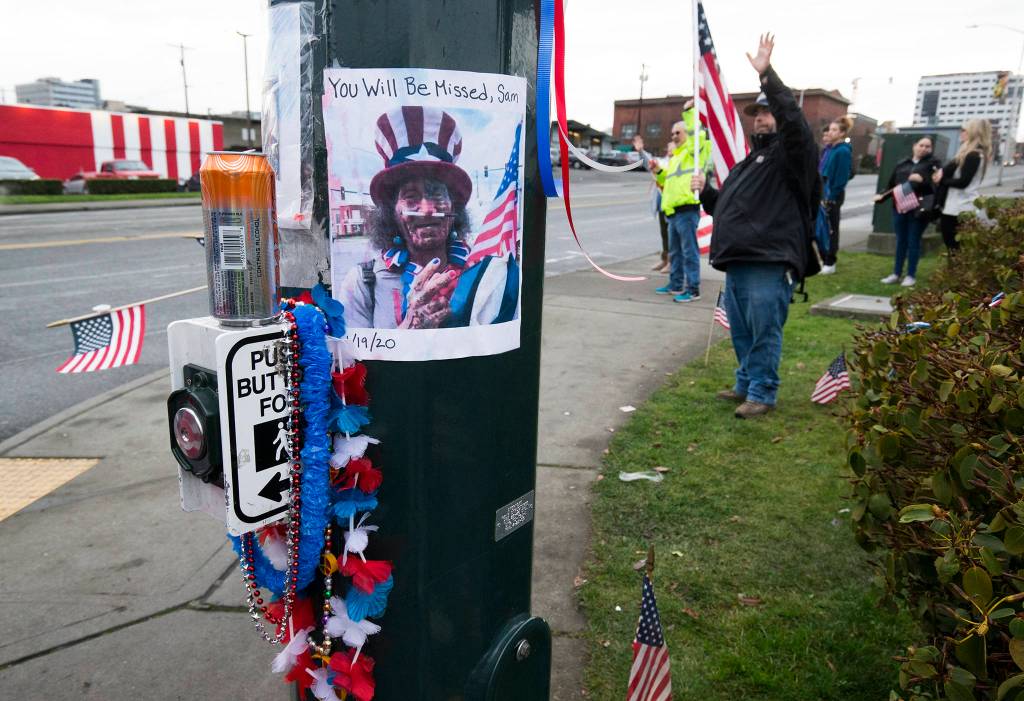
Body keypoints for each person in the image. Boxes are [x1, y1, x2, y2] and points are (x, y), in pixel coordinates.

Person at [691, 34, 820, 419]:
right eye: (757, 114)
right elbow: (726, 208)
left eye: (766, 112)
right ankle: (746, 384)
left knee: (764, 330)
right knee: (744, 330)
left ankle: (763, 392)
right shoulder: (750, 162)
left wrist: (768, 76)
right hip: (739, 258)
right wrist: (707, 193)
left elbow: (796, 124)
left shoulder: (792, 154)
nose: (761, 118)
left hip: (770, 258)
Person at [339, 106, 518, 329]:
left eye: (436, 194)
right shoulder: (362, 282)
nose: (426, 210)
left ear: (454, 208)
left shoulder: (482, 274)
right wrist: (410, 326)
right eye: (411, 197)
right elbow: (350, 359)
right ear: (391, 212)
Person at [635, 100, 711, 303]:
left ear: (688, 133)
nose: (674, 136)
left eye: (678, 133)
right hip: (673, 211)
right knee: (675, 252)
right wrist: (658, 170)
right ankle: (676, 284)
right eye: (672, 134)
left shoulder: (694, 152)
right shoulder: (677, 157)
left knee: (688, 252)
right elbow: (666, 180)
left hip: (687, 210)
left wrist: (689, 112)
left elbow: (699, 135)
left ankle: (693, 288)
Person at [874, 136, 940, 286]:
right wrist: (881, 196)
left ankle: (911, 275)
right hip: (900, 207)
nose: (924, 148)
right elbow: (892, 185)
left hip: (918, 209)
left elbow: (935, 188)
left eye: (927, 146)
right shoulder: (902, 164)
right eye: (921, 145)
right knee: (901, 241)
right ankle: (896, 273)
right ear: (914, 146)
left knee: (913, 241)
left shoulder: (932, 165)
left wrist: (922, 180)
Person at [933, 119, 992, 252]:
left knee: (954, 249)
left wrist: (942, 180)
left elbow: (963, 182)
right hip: (957, 206)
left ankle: (955, 272)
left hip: (959, 208)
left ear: (973, 133)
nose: (961, 133)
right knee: (955, 249)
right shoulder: (970, 153)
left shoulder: (973, 155)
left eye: (964, 130)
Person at [818, 115, 853, 273]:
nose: (830, 132)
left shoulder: (842, 151)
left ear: (842, 133)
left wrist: (831, 197)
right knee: (822, 227)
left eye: (834, 130)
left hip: (832, 194)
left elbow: (840, 178)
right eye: (830, 129)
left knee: (831, 228)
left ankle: (830, 261)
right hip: (822, 191)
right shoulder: (829, 150)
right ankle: (822, 257)